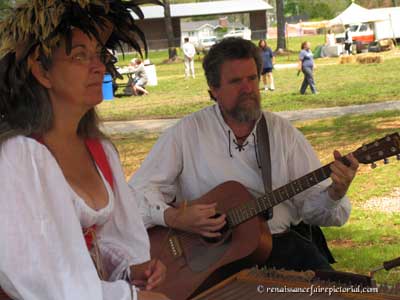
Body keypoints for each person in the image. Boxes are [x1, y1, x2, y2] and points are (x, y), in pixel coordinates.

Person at [129, 37, 359, 273]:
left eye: (252, 78)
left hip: (279, 247)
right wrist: (174, 217)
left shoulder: (282, 133)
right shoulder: (187, 133)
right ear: (213, 90)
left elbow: (316, 211)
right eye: (236, 81)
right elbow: (134, 196)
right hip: (210, 257)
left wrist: (334, 193)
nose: (248, 89)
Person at [0, 1, 168, 300]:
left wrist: (129, 269)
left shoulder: (100, 150)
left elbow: (103, 241)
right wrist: (128, 297)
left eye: (99, 54)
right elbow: (41, 278)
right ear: (41, 70)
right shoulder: (18, 157)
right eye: (80, 56)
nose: (100, 66)